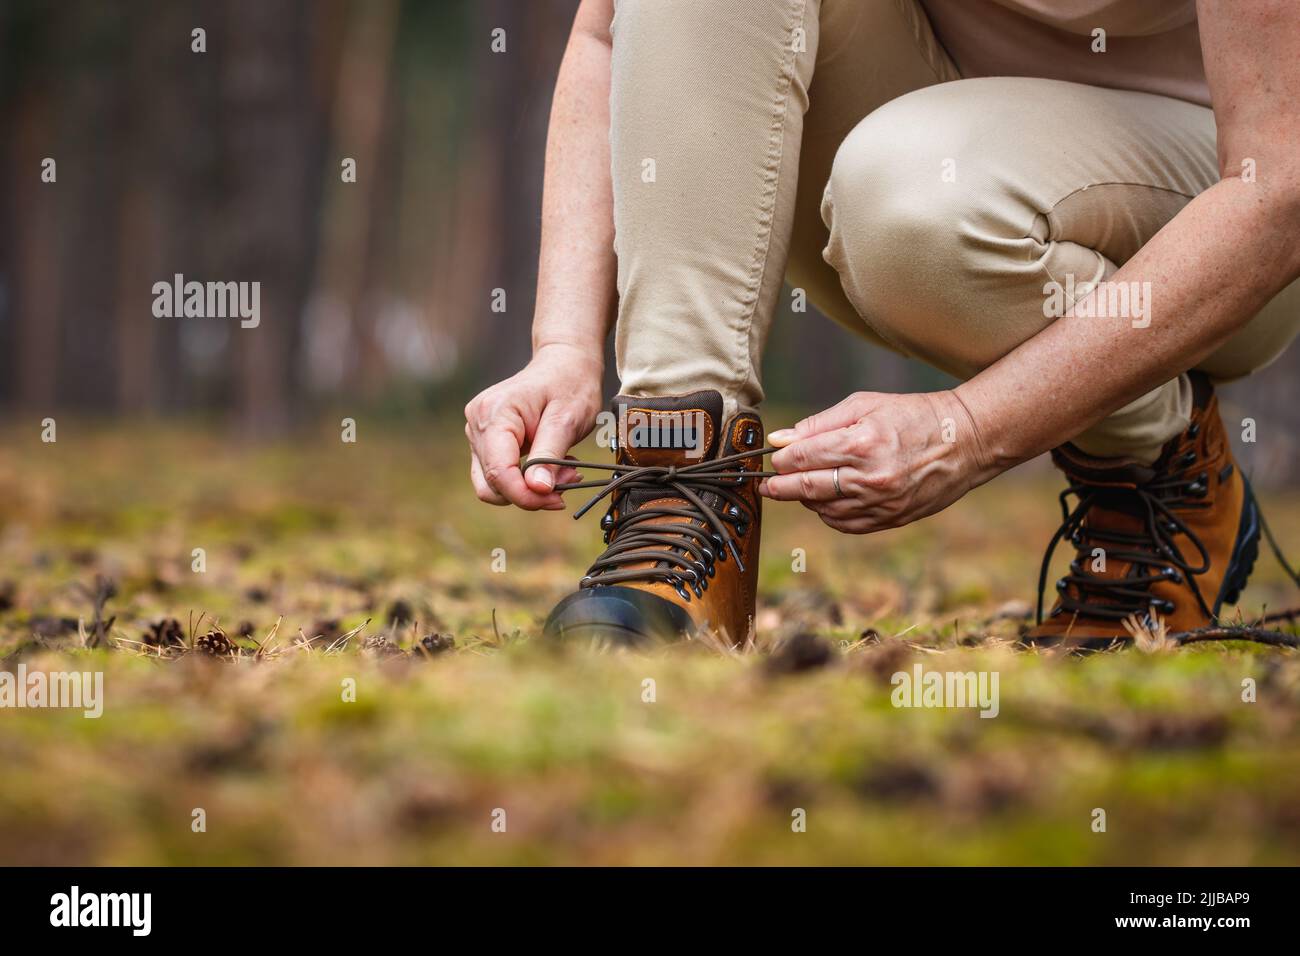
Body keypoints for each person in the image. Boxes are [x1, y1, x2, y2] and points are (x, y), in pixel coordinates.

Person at [464, 0, 1300, 648]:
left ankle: (1157, 465)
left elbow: (1280, 188)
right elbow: (613, 34)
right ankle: (682, 492)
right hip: (938, 122)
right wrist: (564, 347)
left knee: (913, 214)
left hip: (1220, 189)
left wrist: (967, 429)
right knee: (907, 194)